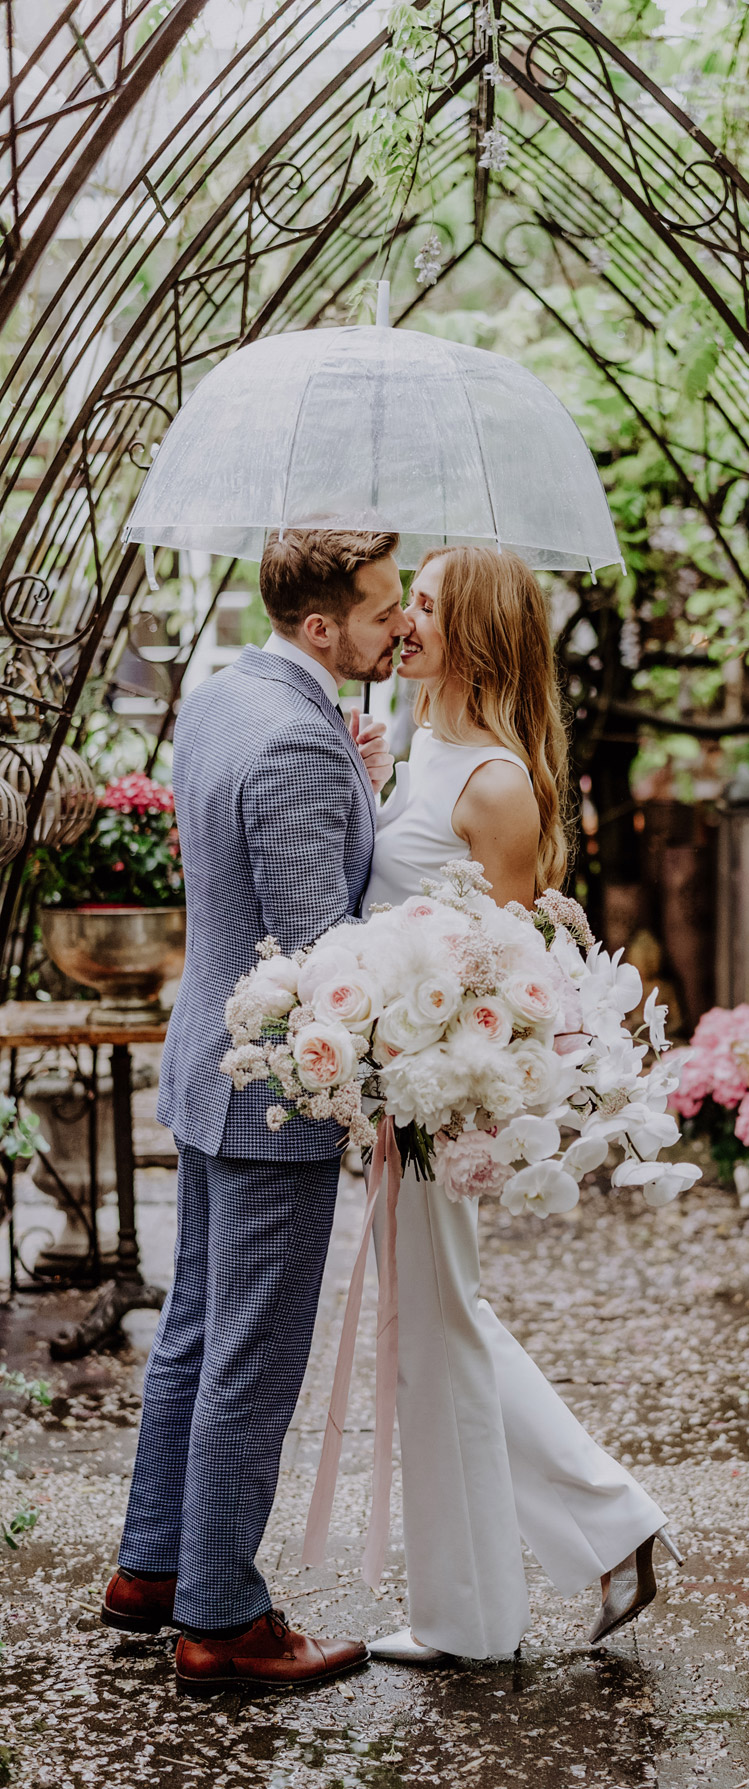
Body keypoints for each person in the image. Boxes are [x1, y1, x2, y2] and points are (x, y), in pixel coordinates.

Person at [358, 545, 681, 1667]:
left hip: (437, 1095)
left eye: (428, 608)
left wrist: (431, 1085)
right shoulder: (418, 751)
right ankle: (595, 1537)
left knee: (436, 1330)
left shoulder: (494, 780)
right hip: (393, 1086)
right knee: (440, 1327)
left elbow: (502, 967)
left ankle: (488, 1606)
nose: (403, 622)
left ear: (479, 634)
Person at [103, 530, 404, 1696]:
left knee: (192, 1334)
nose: (398, 629)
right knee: (252, 1358)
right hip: (274, 1093)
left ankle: (154, 1568)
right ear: (322, 628)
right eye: (380, 613)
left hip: (204, 1067)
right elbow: (319, 951)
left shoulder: (231, 695)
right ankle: (223, 1618)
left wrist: (351, 767)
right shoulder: (295, 739)